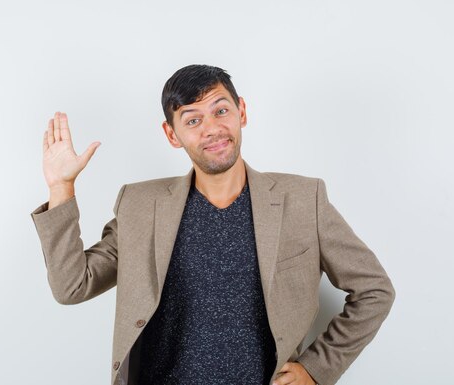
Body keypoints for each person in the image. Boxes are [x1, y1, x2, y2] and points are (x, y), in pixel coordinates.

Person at [30, 65, 395, 385]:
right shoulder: (140, 206)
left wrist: (317, 368)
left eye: (221, 110)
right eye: (192, 120)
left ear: (242, 112)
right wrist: (61, 188)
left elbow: (374, 290)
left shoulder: (302, 199)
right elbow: (72, 287)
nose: (212, 129)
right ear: (172, 134)